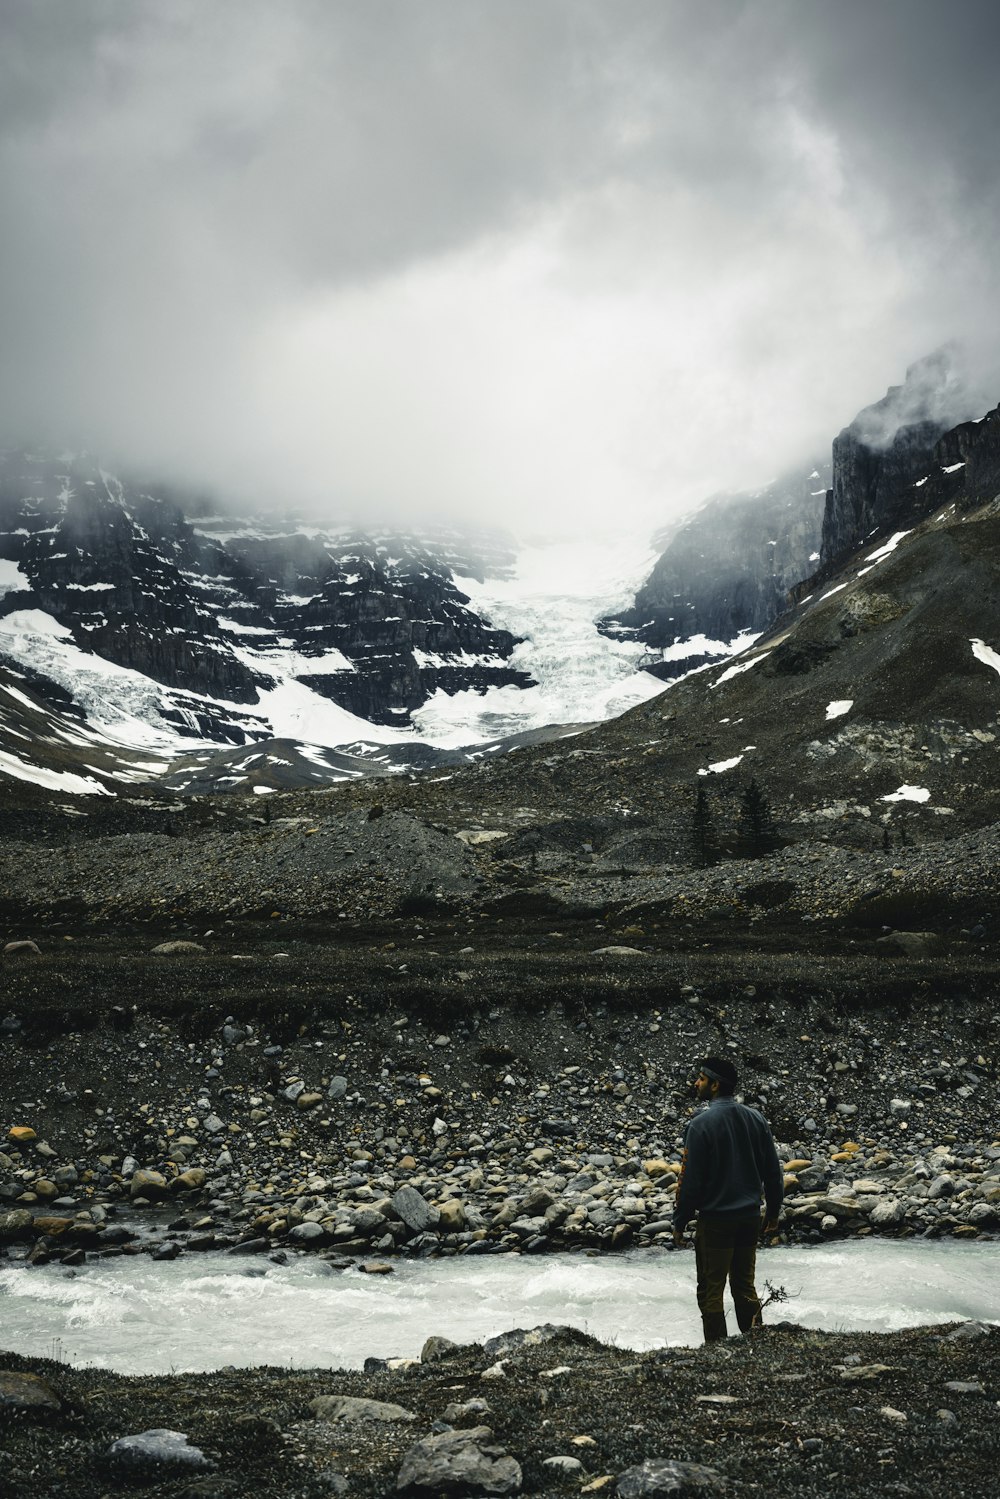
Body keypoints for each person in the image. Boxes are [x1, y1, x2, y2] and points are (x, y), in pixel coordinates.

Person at [672, 1056, 783, 1342]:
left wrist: (679, 1220)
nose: (696, 1083)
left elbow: (689, 1181)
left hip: (716, 1220)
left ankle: (717, 1351)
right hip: (749, 1218)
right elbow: (773, 1171)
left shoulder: (700, 1125)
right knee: (744, 1286)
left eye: (701, 1078)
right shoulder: (756, 1119)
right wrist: (773, 1212)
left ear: (715, 1084)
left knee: (711, 1290)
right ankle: (756, 1343)